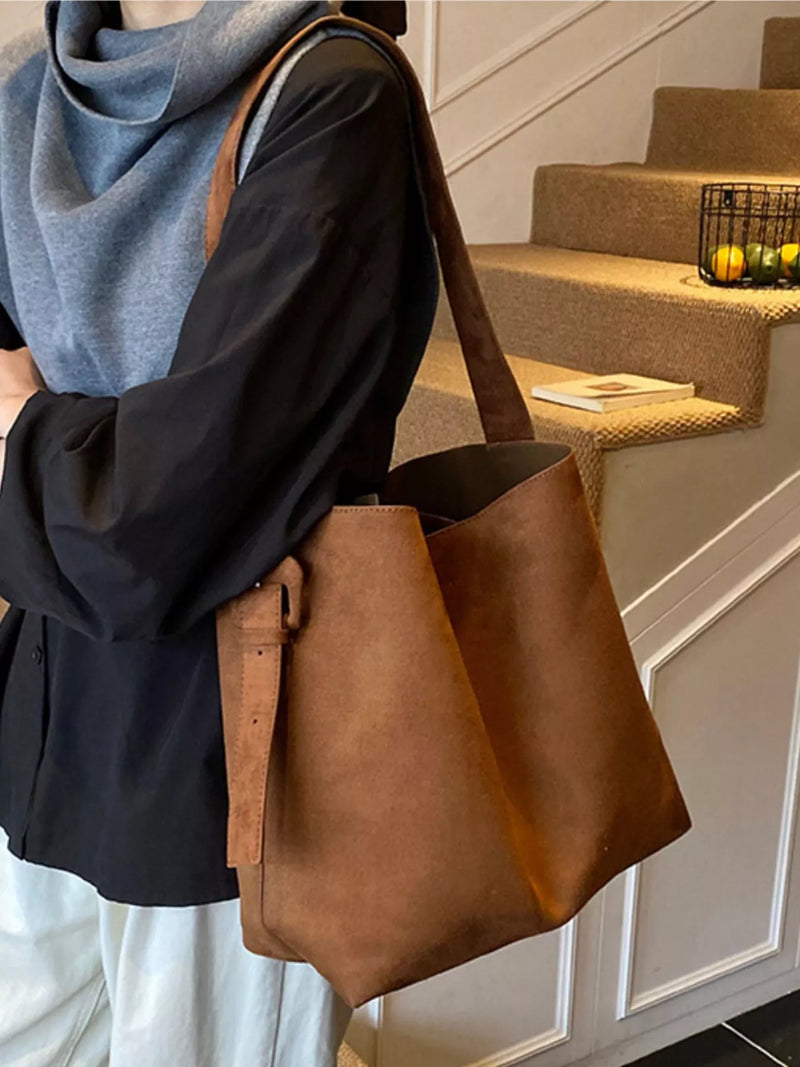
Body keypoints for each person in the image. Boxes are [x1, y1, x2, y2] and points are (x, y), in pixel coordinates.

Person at [0, 0, 439, 1063]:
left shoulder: (333, 92)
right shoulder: (28, 92)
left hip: (240, 749)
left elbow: (169, 511)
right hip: (46, 712)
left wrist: (22, 424)